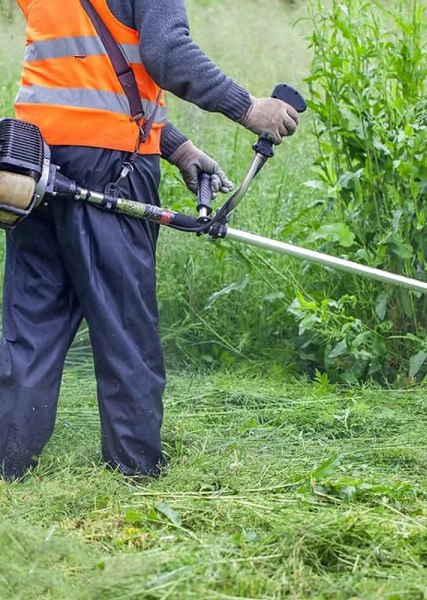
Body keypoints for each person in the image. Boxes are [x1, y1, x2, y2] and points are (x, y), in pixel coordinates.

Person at [0, 0, 299, 480]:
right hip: (111, 169)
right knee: (125, 328)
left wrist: (176, 145)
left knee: (32, 328)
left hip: (32, 167)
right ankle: (134, 471)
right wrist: (249, 107)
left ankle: (7, 467)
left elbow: (95, 74)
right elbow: (165, 52)